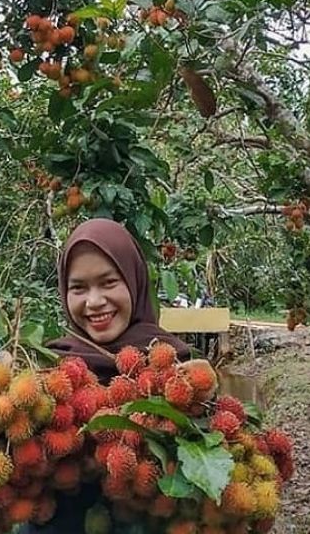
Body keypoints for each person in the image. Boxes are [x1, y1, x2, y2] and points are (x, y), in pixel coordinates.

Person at [21, 218, 192, 533]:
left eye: (109, 282)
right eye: (78, 288)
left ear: (134, 280)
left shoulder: (176, 369)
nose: (94, 301)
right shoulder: (49, 370)